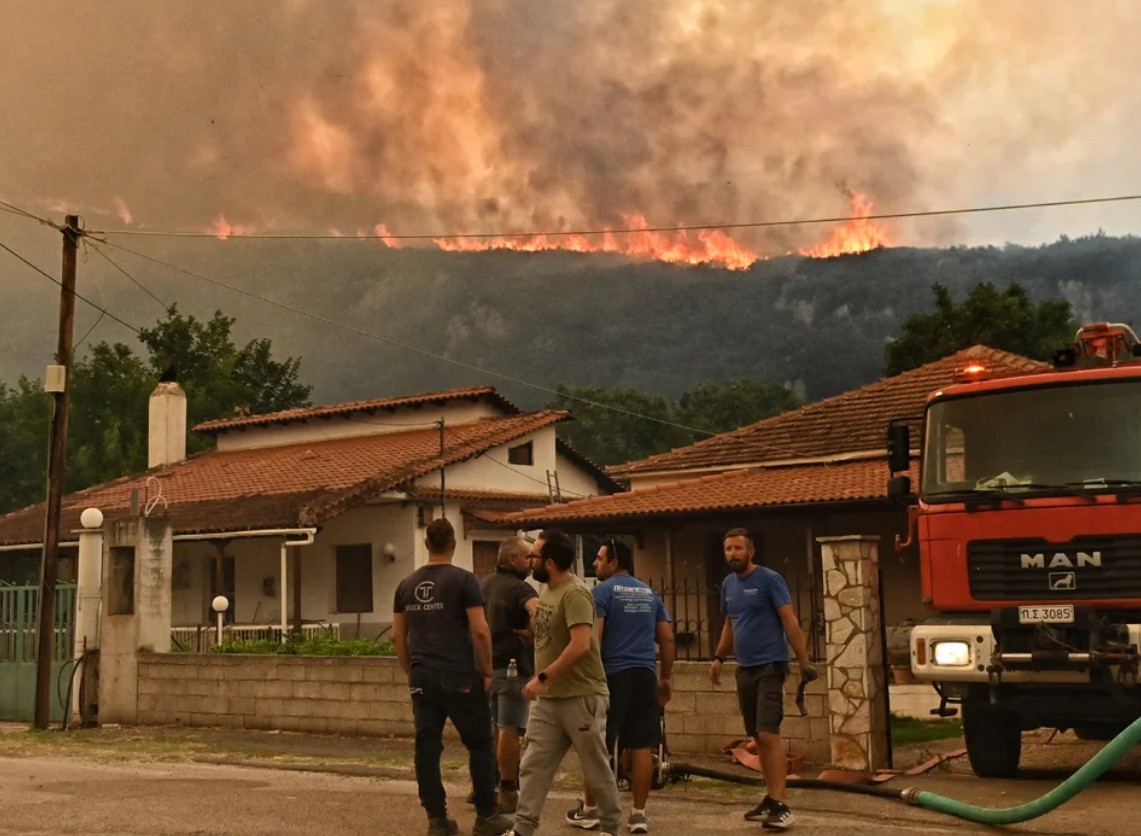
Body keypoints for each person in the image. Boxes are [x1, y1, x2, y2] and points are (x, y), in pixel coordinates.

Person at [392, 517, 513, 836]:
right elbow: (481, 630)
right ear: (454, 544)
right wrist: (487, 670)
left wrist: (412, 670)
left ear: (427, 544)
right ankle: (486, 815)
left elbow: (397, 636)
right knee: (479, 743)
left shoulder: (405, 585)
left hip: (423, 676)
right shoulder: (464, 580)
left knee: (427, 747)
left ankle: (436, 818)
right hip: (459, 674)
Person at [500, 529, 621, 836]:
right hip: (549, 700)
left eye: (534, 556)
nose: (530, 561)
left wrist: (542, 677)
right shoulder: (547, 592)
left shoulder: (575, 593)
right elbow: (551, 637)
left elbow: (580, 645)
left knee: (595, 768)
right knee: (533, 765)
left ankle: (610, 828)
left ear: (550, 562)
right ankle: (522, 829)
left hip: (581, 697)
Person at [708, 528, 818, 831]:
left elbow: (789, 620)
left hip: (771, 665)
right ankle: (771, 799)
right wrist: (718, 657)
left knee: (768, 734)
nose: (732, 554)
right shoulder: (729, 585)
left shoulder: (770, 579)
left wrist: (804, 660)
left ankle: (782, 805)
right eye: (728, 549)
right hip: (744, 668)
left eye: (738, 548)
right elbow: (730, 624)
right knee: (756, 737)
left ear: (751, 551)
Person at [565, 538, 675, 834]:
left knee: (597, 744)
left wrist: (587, 677)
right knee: (641, 745)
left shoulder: (601, 592)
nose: (595, 564)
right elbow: (666, 638)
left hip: (611, 675)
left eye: (600, 559)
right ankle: (638, 815)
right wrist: (665, 677)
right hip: (644, 675)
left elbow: (594, 638)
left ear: (614, 562)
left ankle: (590, 809)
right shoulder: (649, 593)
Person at [480, 536, 540, 813]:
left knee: (493, 726)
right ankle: (507, 788)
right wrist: (534, 633)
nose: (531, 562)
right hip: (513, 669)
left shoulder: (483, 586)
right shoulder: (521, 589)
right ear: (513, 559)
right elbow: (539, 614)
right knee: (509, 728)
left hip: (486, 668)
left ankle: (484, 783)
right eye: (528, 557)